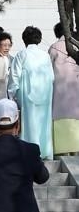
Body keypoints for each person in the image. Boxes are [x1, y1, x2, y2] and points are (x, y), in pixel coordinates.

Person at [8, 26, 54, 159]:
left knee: (29, 123)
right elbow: (51, 77)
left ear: (24, 40)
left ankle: (29, 151)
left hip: (27, 94)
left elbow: (14, 76)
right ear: (39, 39)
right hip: (45, 94)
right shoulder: (45, 55)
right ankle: (44, 151)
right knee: (44, 123)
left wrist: (12, 95)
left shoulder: (22, 54)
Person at [48, 22, 79, 153]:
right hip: (75, 87)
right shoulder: (75, 46)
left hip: (59, 89)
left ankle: (62, 149)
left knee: (60, 117)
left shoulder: (54, 47)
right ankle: (75, 148)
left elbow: (48, 67)